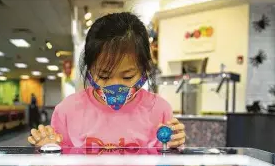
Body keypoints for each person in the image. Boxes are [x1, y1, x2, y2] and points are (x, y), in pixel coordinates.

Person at [28, 12, 185, 149]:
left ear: (145, 70)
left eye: (127, 77)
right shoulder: (67, 111)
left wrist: (175, 144)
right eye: (103, 76)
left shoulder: (159, 110)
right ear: (89, 70)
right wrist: (46, 146)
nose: (114, 85)